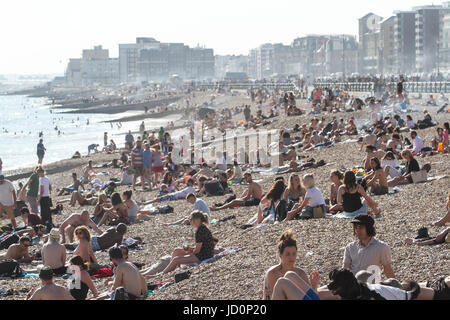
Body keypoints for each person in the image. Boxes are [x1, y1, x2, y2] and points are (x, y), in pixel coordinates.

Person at [264, 230, 320, 300]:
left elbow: (310, 296)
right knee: (282, 281)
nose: (291, 257)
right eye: (288, 254)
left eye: (294, 254)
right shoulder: (272, 273)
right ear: (280, 255)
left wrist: (314, 286)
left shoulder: (300, 273)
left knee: (290, 274)